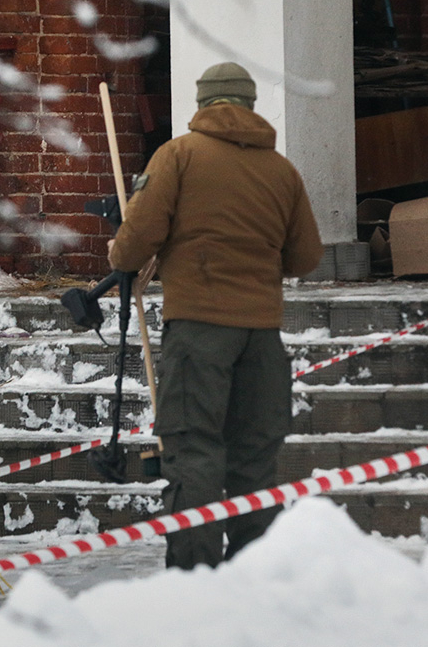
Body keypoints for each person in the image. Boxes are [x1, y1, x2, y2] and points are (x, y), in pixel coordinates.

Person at [108, 62, 323, 569]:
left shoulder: (179, 156)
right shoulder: (282, 171)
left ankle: (194, 576)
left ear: (203, 103)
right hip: (263, 338)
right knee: (254, 459)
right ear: (250, 105)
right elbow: (306, 257)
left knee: (195, 452)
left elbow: (136, 242)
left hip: (199, 331)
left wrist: (123, 255)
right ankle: (250, 574)